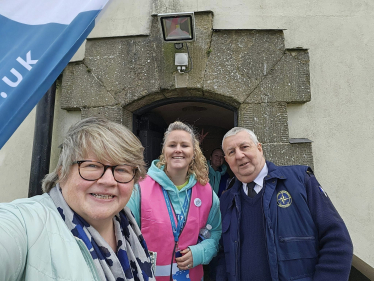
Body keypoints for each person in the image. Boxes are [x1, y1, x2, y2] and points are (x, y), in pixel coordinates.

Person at [0, 117, 155, 281]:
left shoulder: (128, 226)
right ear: (62, 172)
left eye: (122, 169)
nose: (109, 181)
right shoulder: (25, 224)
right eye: (92, 166)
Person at [218, 127, 353, 281]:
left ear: (259, 148)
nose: (239, 155)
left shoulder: (300, 181)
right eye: (231, 152)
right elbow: (223, 253)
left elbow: (337, 241)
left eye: (244, 147)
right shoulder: (226, 199)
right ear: (227, 160)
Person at [127, 121, 222, 281]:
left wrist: (201, 251)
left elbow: (216, 232)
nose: (178, 149)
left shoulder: (207, 193)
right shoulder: (139, 189)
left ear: (193, 152)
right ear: (164, 150)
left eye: (184, 145)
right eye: (172, 145)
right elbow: (124, 235)